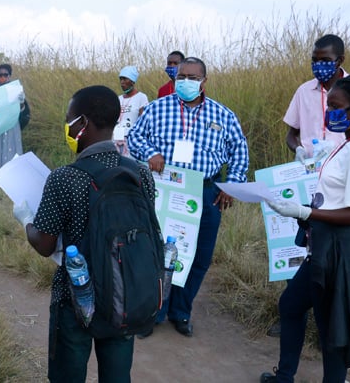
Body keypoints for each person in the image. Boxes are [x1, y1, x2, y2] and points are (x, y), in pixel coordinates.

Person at [12, 85, 157, 382]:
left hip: (75, 299)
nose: (67, 126)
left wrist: (27, 221)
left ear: (83, 124)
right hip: (124, 295)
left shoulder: (65, 178)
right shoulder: (140, 173)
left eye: (69, 119)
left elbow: (45, 243)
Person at [261, 75, 350, 383]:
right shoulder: (349, 144)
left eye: (337, 107)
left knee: (332, 334)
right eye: (329, 105)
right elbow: (338, 192)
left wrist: (305, 211)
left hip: (343, 253)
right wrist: (314, 161)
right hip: (325, 246)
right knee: (291, 305)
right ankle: (284, 375)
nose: (330, 113)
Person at [127, 56, 249, 337]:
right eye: (181, 76)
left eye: (192, 78)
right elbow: (134, 138)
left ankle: (181, 312)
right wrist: (151, 154)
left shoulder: (223, 115)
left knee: (198, 256)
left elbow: (239, 151)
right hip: (164, 190)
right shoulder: (157, 109)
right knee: (158, 252)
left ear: (204, 81)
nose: (185, 82)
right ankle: (153, 311)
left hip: (205, 191)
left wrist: (231, 185)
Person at [284, 34, 350, 163]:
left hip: (347, 165)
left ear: (339, 61)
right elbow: (291, 135)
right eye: (314, 60)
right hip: (311, 169)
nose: (318, 65)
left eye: (325, 60)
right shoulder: (303, 92)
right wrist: (298, 149)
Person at [113, 66, 148, 156]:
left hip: (131, 141)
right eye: (120, 79)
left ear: (132, 81)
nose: (122, 82)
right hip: (115, 139)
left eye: (125, 79)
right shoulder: (118, 99)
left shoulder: (141, 97)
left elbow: (143, 121)